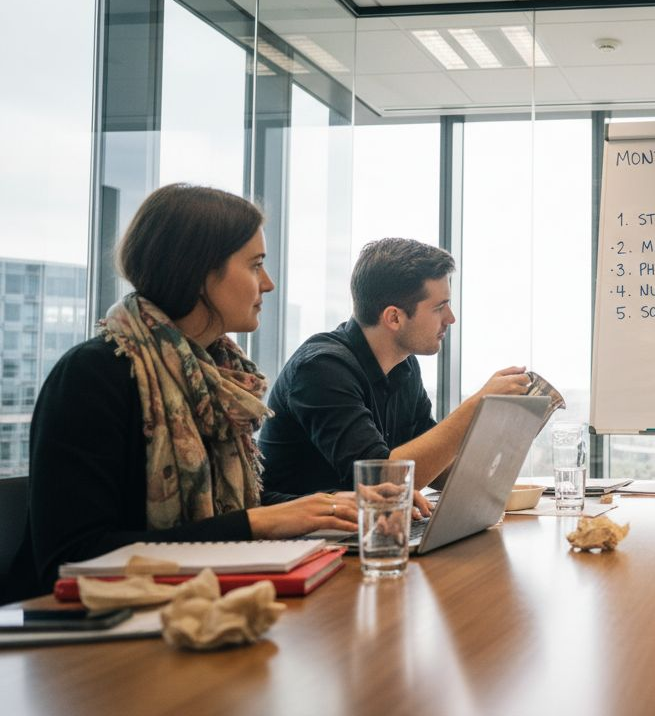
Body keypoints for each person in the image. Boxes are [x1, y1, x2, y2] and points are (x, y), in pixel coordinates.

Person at [5, 184, 358, 602]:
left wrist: (333, 506)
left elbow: (230, 506)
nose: (268, 284)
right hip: (84, 635)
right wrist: (258, 524)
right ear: (199, 272)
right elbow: (70, 557)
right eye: (255, 265)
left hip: (185, 610)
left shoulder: (214, 376)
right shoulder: (93, 374)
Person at [259, 238, 528, 498]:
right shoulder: (321, 369)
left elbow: (435, 470)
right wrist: (476, 407)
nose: (451, 318)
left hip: (365, 530)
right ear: (394, 317)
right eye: (439, 307)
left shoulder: (404, 365)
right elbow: (381, 481)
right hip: (304, 541)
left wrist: (505, 422)